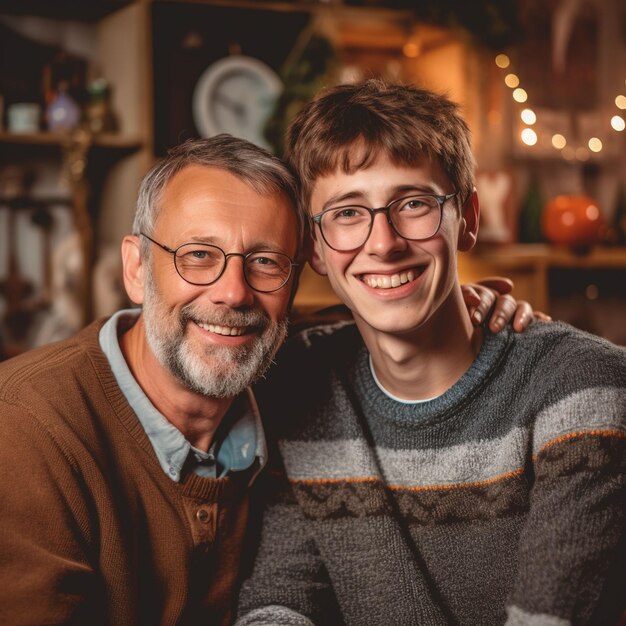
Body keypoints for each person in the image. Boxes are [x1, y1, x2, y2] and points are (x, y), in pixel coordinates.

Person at [0, 134, 527, 625]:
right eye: (199, 256)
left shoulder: (289, 371)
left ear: (297, 279)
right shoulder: (26, 429)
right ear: (137, 269)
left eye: (265, 262)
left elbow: (357, 329)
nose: (233, 293)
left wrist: (466, 308)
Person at [235, 80, 626, 626]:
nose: (383, 242)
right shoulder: (301, 380)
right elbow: (283, 596)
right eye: (348, 213)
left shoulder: (581, 387)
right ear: (314, 248)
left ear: (466, 218)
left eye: (413, 203)